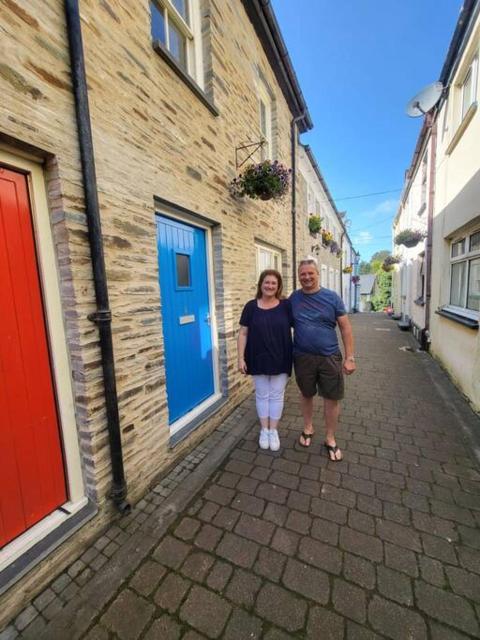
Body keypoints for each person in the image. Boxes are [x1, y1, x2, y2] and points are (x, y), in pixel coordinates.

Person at [290, 257, 356, 461]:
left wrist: (350, 357)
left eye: (311, 273)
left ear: (318, 274)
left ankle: (330, 437)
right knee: (306, 393)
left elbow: (345, 328)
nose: (307, 277)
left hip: (329, 357)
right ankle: (308, 428)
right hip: (302, 357)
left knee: (331, 397)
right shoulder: (293, 298)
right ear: (299, 277)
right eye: (303, 274)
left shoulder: (332, 298)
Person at [237, 269, 293, 451]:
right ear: (261, 284)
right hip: (257, 357)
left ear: (278, 287)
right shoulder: (251, 306)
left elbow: (300, 326)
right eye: (267, 282)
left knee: (276, 395)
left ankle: (273, 431)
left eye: (273, 283)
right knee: (262, 394)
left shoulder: (286, 305)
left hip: (281, 356)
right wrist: (240, 358)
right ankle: (264, 430)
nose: (270, 286)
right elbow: (243, 333)